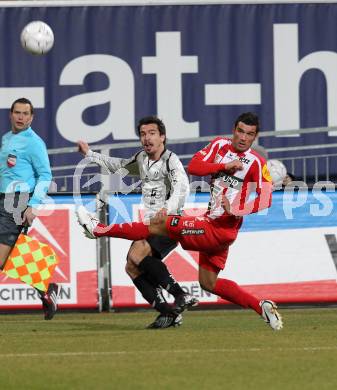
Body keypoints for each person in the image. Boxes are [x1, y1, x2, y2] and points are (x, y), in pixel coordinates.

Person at [77, 112, 283, 331]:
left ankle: (98, 229)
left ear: (255, 137)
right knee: (208, 283)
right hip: (211, 225)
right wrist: (222, 167)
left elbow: (266, 199)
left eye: (249, 134)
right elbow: (195, 166)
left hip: (219, 230)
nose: (243, 138)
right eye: (240, 131)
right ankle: (261, 306)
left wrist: (236, 209)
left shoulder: (256, 163)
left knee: (158, 224)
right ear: (234, 130)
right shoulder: (219, 145)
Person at [77, 116, 198, 328]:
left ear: (162, 137)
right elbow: (119, 166)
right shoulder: (142, 159)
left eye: (152, 133)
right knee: (131, 267)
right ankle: (168, 313)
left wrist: (166, 208)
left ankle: (181, 296)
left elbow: (182, 188)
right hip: (152, 223)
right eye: (143, 134)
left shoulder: (171, 161)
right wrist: (90, 154)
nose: (147, 138)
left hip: (171, 221)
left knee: (137, 254)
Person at [0, 97, 59, 320]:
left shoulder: (34, 142)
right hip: (3, 199)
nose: (21, 117)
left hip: (18, 202)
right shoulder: (6, 139)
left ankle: (47, 289)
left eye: (25, 113)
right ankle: (47, 290)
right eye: (17, 112)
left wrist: (33, 206)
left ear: (32, 117)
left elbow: (45, 175)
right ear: (11, 114)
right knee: (9, 258)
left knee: (2, 258)